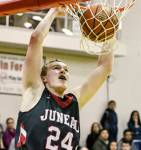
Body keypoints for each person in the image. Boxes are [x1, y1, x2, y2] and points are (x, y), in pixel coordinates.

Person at [15, 8, 114, 150]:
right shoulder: (34, 91)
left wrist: (110, 30)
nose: (63, 70)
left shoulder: (73, 102)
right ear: (44, 77)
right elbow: (36, 39)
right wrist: (54, 10)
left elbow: (105, 67)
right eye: (56, 67)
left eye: (66, 69)